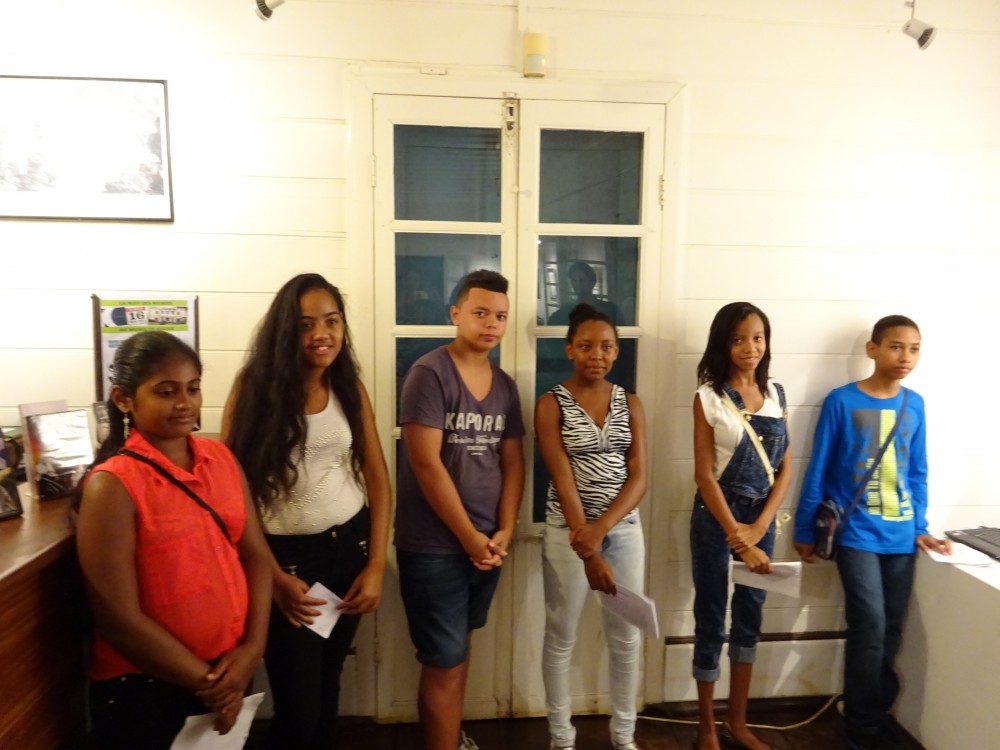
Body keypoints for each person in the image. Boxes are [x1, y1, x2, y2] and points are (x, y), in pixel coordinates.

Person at [75, 330, 272, 749]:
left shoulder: (221, 459)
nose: (184, 403)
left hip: (230, 671)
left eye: (193, 388)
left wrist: (252, 650)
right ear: (124, 399)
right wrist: (214, 684)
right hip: (150, 687)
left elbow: (255, 556)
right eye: (166, 392)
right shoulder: (113, 485)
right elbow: (118, 619)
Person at [222, 273, 391, 750]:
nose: (322, 334)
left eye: (332, 321)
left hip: (348, 552)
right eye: (306, 324)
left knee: (328, 683)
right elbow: (232, 491)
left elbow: (378, 478)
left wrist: (376, 565)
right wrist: (273, 576)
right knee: (299, 707)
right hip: (288, 564)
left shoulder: (348, 386)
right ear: (285, 331)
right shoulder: (254, 389)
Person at [793, 315, 950, 750]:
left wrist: (920, 526)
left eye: (914, 348)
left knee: (892, 629)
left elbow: (917, 471)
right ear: (872, 349)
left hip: (901, 536)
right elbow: (819, 467)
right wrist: (804, 527)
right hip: (855, 533)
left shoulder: (914, 404)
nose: (906, 357)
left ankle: (873, 711)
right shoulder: (841, 401)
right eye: (896, 346)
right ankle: (862, 726)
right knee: (870, 623)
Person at [395, 268, 526, 750]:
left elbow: (513, 461)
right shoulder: (429, 373)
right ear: (455, 314)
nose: (492, 323)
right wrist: (470, 538)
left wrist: (505, 529)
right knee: (444, 659)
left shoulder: (505, 385)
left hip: (488, 545)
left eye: (501, 316)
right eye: (481, 313)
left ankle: (449, 739)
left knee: (459, 648)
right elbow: (425, 464)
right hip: (435, 546)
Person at [535, 304, 648, 750]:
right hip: (568, 531)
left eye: (606, 346)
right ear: (569, 350)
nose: (596, 355)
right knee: (561, 636)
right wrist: (588, 545)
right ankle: (561, 738)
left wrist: (603, 529)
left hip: (623, 529)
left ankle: (624, 737)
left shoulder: (630, 402)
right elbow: (561, 476)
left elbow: (639, 478)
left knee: (626, 638)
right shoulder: (551, 404)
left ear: (617, 351)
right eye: (585, 346)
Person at [690, 302, 791, 750]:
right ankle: (707, 728)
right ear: (722, 344)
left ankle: (739, 723)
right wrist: (738, 535)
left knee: (750, 615)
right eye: (738, 339)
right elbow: (703, 475)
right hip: (716, 518)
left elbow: (785, 469)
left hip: (761, 518)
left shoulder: (777, 394)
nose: (750, 347)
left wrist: (760, 527)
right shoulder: (708, 397)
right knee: (711, 617)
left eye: (757, 337)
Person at [548, 262, 621, 326]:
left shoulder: (609, 309)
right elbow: (551, 325)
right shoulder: (566, 310)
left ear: (592, 283)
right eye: (574, 280)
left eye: (582, 280)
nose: (577, 284)